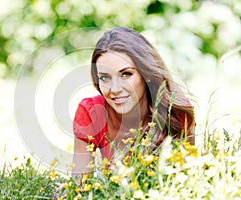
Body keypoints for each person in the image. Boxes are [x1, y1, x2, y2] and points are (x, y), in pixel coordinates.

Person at [72, 27, 195, 176]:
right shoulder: (91, 112)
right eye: (105, 77)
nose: (115, 89)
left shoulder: (176, 111)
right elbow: (79, 184)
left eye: (126, 74)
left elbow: (189, 177)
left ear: (146, 74)